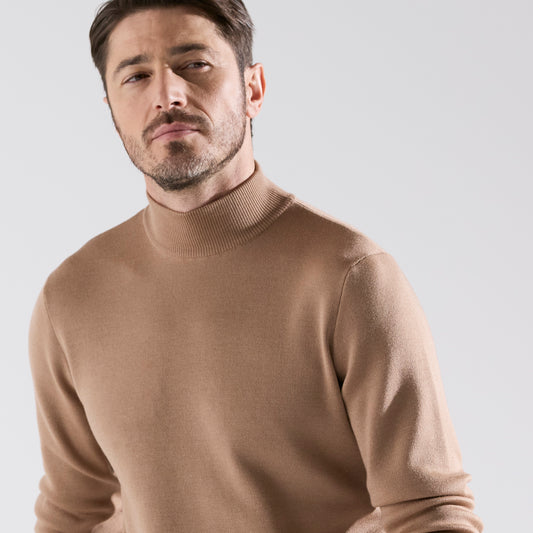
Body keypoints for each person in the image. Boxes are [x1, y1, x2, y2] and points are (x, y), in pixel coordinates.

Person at [28, 1, 483, 532]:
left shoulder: (350, 279)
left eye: (194, 64)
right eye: (136, 76)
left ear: (253, 89)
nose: (167, 95)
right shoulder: (71, 298)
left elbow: (432, 513)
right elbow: (73, 514)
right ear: (112, 109)